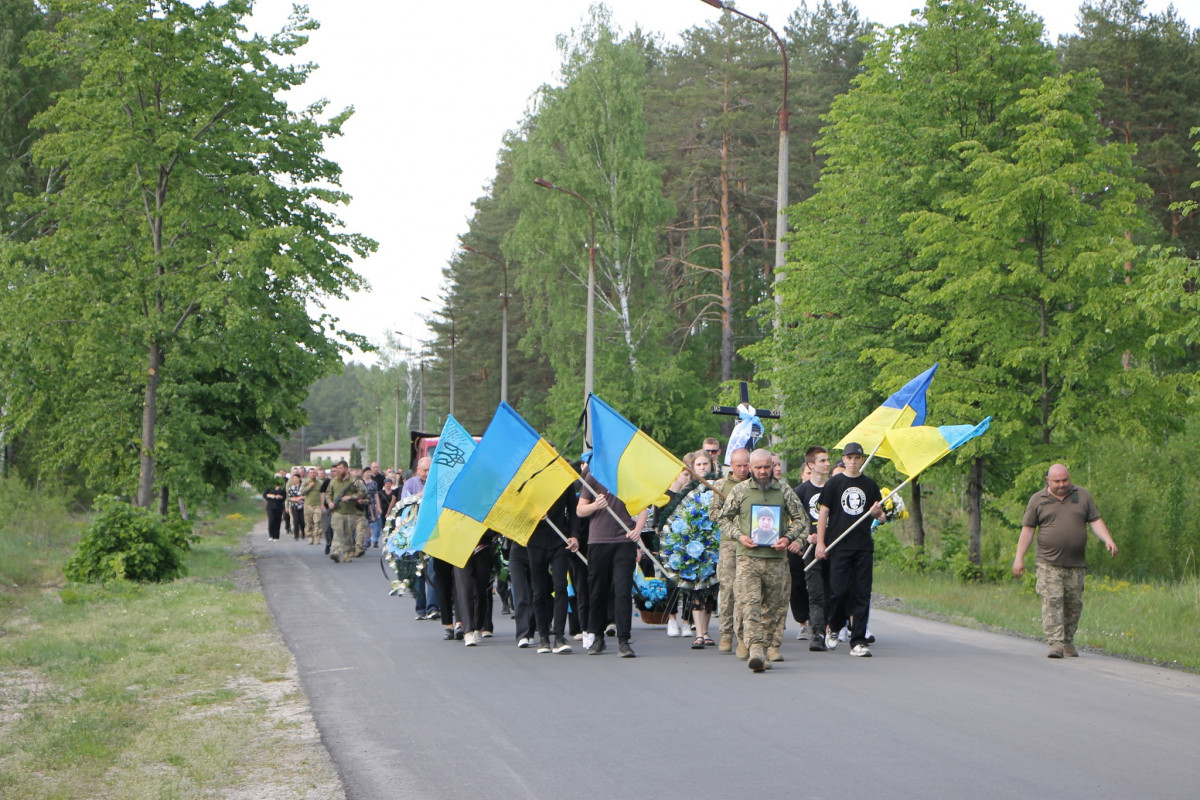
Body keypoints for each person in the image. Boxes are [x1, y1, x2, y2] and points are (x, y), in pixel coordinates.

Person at [1013, 464, 1117, 658]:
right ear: (1048, 481)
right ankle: (1055, 643)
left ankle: (1068, 640)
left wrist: (1108, 539)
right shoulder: (1038, 500)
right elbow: (1027, 530)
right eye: (1057, 481)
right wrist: (1019, 559)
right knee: (1052, 601)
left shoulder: (1083, 496)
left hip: (1076, 564)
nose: (1062, 485)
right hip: (1048, 562)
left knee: (1073, 605)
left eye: (1065, 480)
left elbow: (1095, 521)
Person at [718, 449, 805, 672]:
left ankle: (765, 650)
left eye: (767, 467)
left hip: (775, 560)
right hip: (748, 558)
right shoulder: (741, 490)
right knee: (750, 605)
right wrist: (740, 536)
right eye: (758, 468)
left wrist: (787, 538)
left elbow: (801, 520)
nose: (763, 472)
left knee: (771, 608)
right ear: (750, 467)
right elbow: (723, 519)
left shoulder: (784, 490)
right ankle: (755, 649)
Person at [815, 442, 885, 657]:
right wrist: (820, 542)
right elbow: (823, 514)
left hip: (863, 546)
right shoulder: (834, 484)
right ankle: (834, 627)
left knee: (862, 593)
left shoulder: (870, 485)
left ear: (862, 460)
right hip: (839, 546)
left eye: (857, 458)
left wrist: (876, 512)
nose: (853, 461)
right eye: (849, 457)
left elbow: (881, 517)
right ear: (844, 459)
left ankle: (858, 641)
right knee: (839, 592)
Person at [579, 466, 647, 658]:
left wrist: (638, 530)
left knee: (623, 590)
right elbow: (580, 510)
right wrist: (595, 505)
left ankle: (624, 640)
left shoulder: (629, 475)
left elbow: (643, 508)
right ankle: (597, 637)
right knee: (597, 591)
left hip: (624, 542)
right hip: (598, 541)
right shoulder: (593, 476)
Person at [711, 448, 751, 654]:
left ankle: (743, 635)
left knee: (747, 591)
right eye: (739, 465)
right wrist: (731, 516)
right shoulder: (721, 485)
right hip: (729, 543)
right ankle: (726, 634)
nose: (743, 469)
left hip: (751, 543)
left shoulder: (755, 485)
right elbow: (713, 513)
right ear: (732, 466)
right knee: (727, 589)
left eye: (746, 465)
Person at [792, 446, 831, 651]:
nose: (827, 464)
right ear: (811, 465)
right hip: (810, 549)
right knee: (814, 591)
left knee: (833, 590)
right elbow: (793, 520)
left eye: (827, 460)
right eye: (822, 461)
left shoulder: (835, 488)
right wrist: (806, 535)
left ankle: (833, 626)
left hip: (834, 545)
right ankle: (817, 633)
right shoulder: (801, 492)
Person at [325, 460, 367, 563]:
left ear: (346, 469)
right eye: (337, 468)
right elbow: (328, 494)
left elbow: (363, 492)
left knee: (348, 534)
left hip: (350, 512)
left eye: (340, 468)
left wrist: (351, 497)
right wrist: (330, 502)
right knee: (337, 532)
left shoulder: (353, 481)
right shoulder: (334, 481)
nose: (338, 470)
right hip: (337, 512)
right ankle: (335, 552)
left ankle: (347, 554)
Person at [300, 468, 324, 545]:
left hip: (317, 505)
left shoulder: (320, 482)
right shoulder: (305, 482)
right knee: (308, 522)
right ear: (308, 474)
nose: (312, 474)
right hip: (308, 505)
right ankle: (310, 537)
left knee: (317, 521)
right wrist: (309, 486)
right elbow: (302, 491)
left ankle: (317, 536)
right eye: (311, 473)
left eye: (314, 472)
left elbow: (323, 493)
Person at [286, 473, 305, 541]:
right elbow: (289, 497)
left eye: (296, 478)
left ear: (299, 478)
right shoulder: (291, 488)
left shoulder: (303, 487)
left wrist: (300, 498)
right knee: (296, 521)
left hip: (302, 506)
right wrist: (296, 499)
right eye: (294, 478)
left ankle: (303, 532)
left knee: (302, 521)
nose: (295, 480)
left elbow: (306, 496)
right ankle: (296, 535)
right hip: (294, 506)